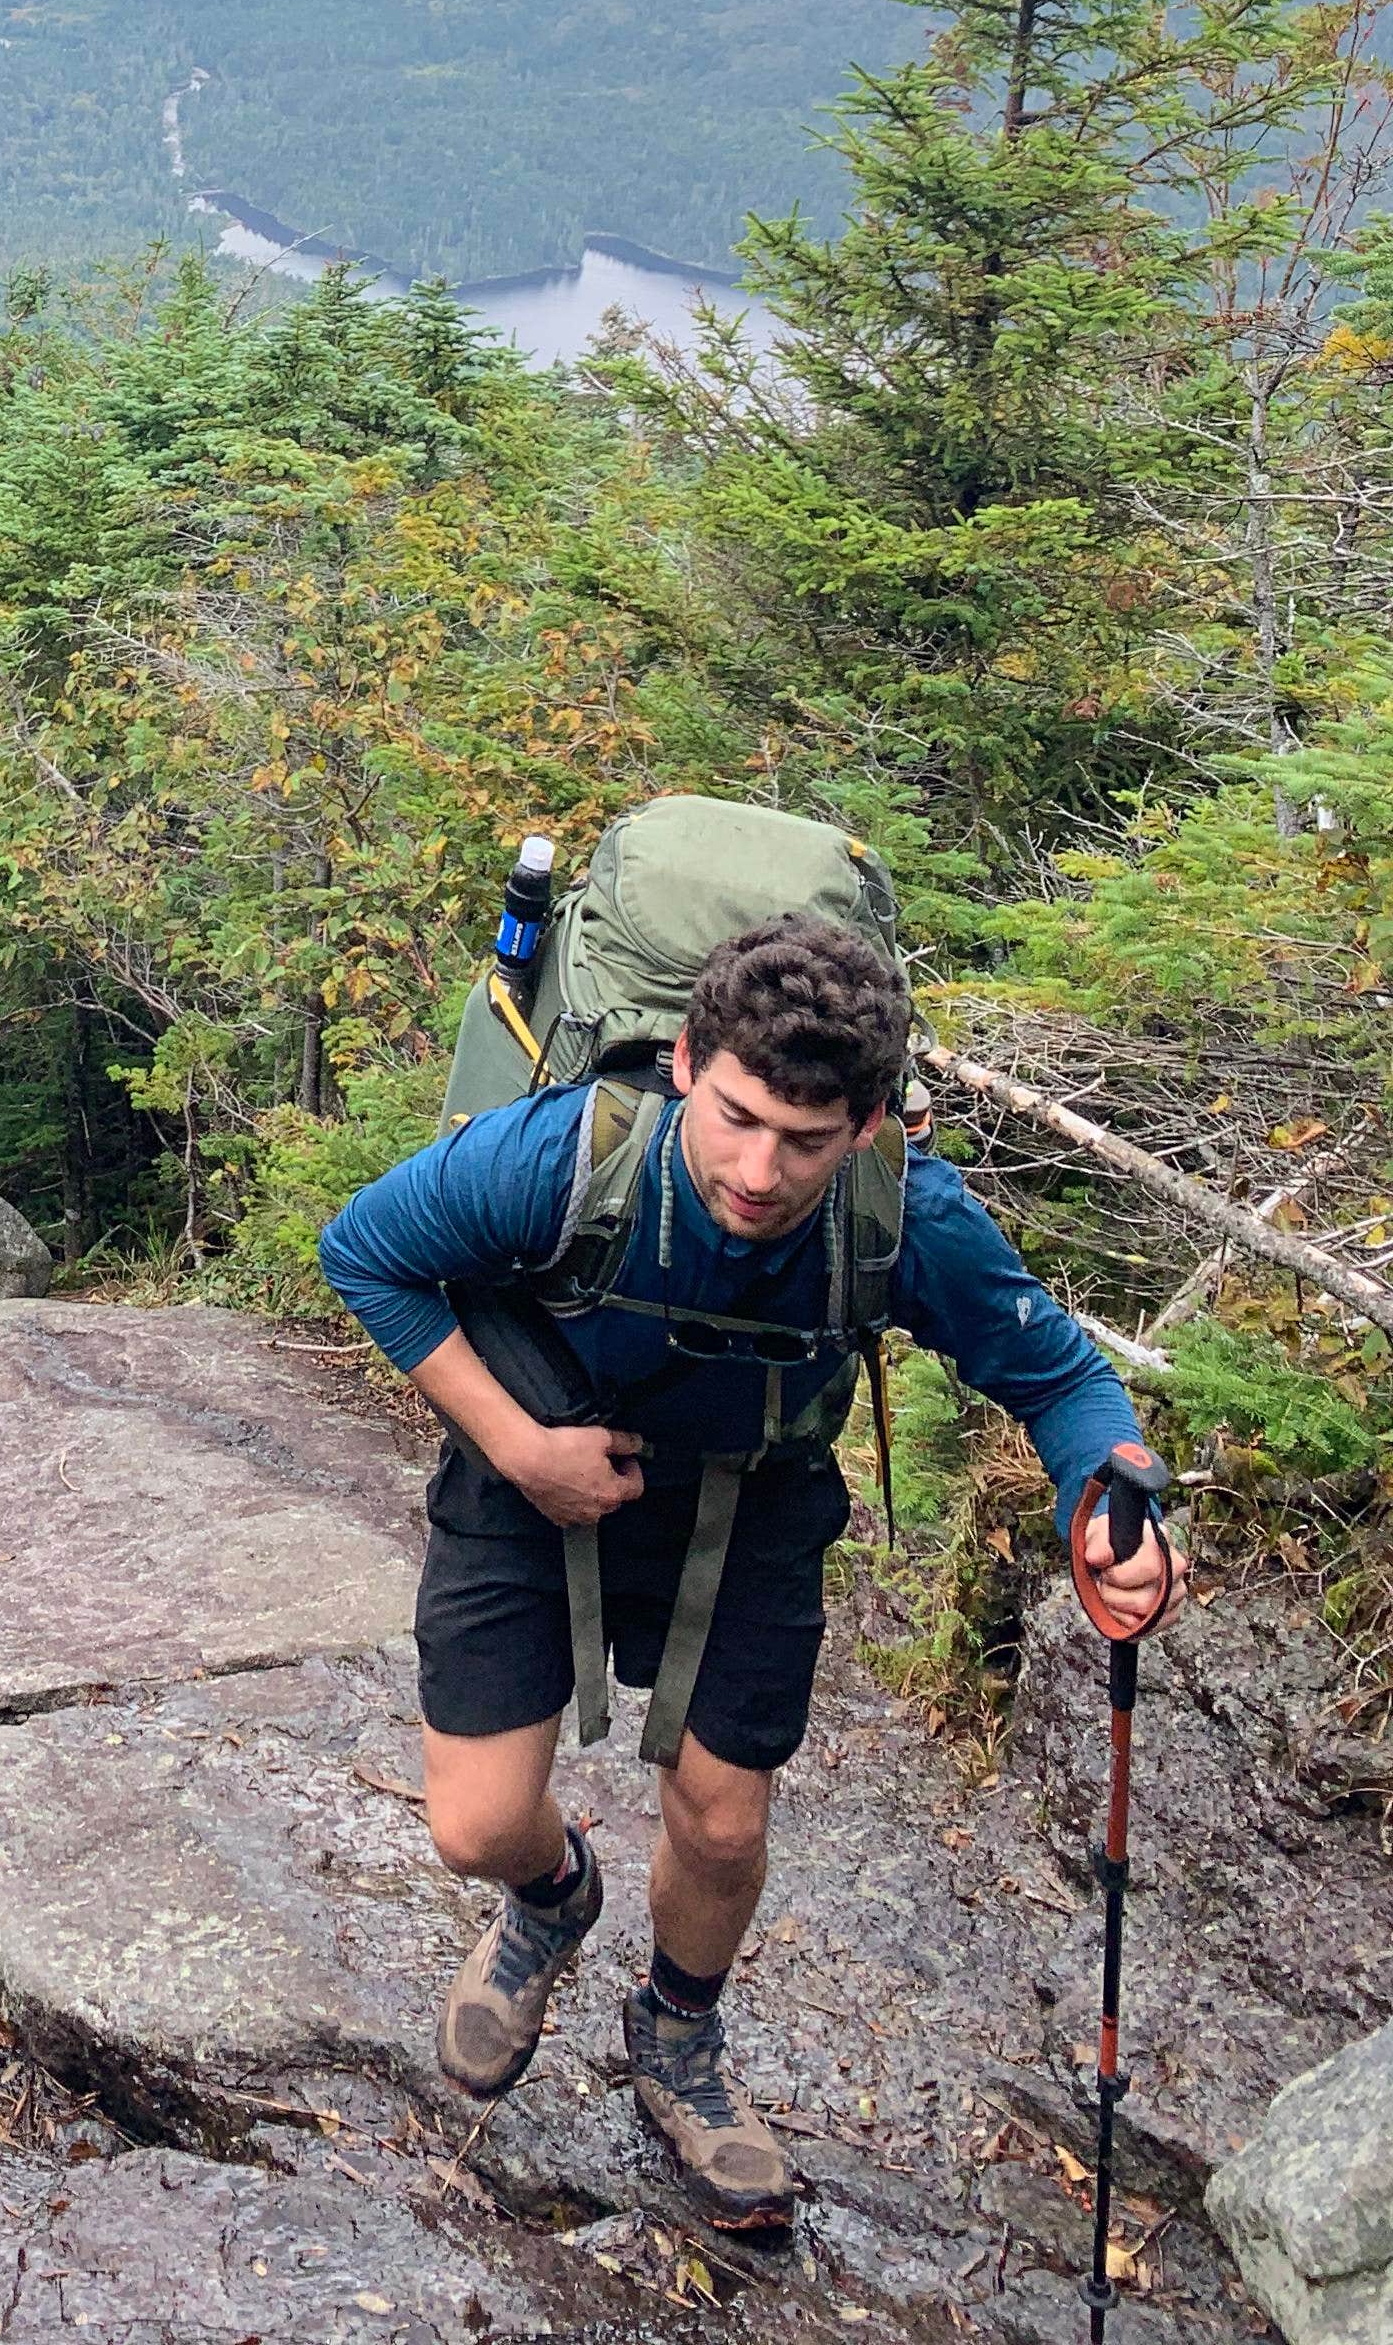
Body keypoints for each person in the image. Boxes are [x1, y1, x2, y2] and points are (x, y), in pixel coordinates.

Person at [318, 908, 1180, 2236]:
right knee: (475, 1827)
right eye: (734, 1119)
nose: (761, 1172)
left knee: (723, 1822)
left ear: (870, 1124)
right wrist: (520, 1448)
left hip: (750, 1496)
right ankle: (551, 1897)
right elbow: (365, 1252)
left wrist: (1110, 1505)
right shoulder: (562, 1156)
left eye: (807, 1141)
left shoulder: (906, 1220)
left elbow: (1060, 1379)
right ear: (682, 1066)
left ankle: (677, 2037)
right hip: (529, 1464)